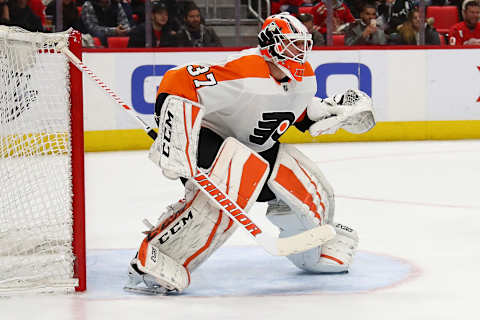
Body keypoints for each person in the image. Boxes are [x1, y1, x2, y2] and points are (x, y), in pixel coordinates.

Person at [124, 12, 375, 295]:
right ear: (272, 46)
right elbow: (177, 80)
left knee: (312, 187)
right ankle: (159, 255)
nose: (301, 52)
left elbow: (298, 111)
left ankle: (313, 251)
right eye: (292, 45)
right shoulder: (245, 70)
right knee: (237, 178)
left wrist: (332, 112)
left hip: (253, 148)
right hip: (208, 142)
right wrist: (175, 139)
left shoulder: (304, 77)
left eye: (303, 44)